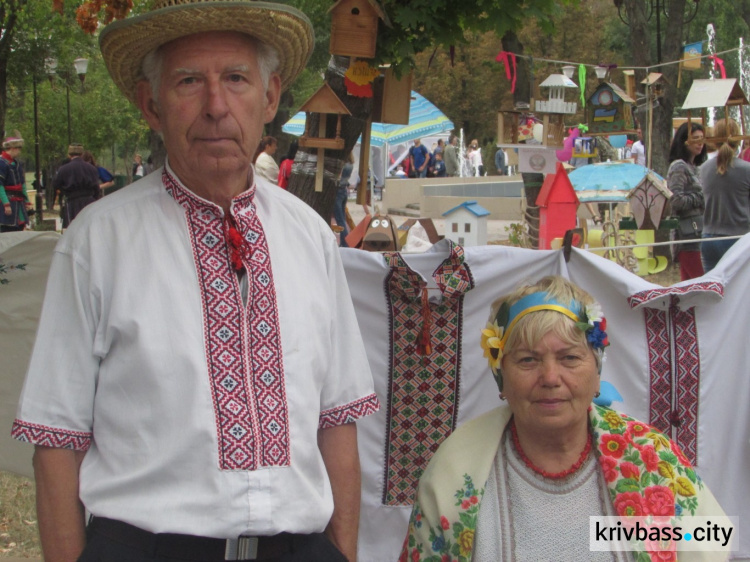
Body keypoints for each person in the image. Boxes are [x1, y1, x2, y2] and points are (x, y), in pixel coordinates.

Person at [13, 3, 379, 562]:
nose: (215, 106)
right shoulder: (96, 242)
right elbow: (56, 441)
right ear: (151, 105)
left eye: (236, 79)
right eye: (189, 82)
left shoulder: (309, 236)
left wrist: (342, 552)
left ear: (272, 97)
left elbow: (338, 420)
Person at [401, 276, 729, 561]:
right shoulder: (455, 471)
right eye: (528, 360)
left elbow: (707, 540)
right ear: (502, 377)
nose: (550, 377)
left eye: (570, 358)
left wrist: (660, 535)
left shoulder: (652, 459)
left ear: (596, 371)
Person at [700, 118, 750, 272]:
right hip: (738, 237)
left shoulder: (703, 168)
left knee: (713, 290)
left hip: (709, 236)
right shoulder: (746, 169)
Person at [668, 122, 707, 281]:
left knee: (689, 287)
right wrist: (701, 197)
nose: (700, 143)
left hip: (697, 233)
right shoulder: (679, 166)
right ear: (684, 141)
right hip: (686, 235)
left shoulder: (696, 167)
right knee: (701, 284)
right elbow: (675, 200)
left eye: (702, 139)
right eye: (695, 139)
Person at [53, 143, 101, 228]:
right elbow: (96, 187)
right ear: (82, 154)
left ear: (69, 155)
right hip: (89, 201)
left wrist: (65, 193)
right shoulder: (91, 168)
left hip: (72, 202)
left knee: (73, 227)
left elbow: (56, 185)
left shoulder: (63, 169)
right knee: (88, 226)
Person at [0, 135, 31, 232]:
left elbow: (22, 185)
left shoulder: (17, 164)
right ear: (12, 148)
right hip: (8, 202)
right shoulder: (2, 163)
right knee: (7, 229)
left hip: (19, 202)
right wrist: (6, 204)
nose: (19, 152)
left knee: (19, 228)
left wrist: (27, 201)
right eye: (18, 149)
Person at [334, 152, 354, 247]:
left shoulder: (341, 163)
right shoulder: (350, 164)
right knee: (342, 218)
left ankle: (345, 242)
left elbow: (338, 176)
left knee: (340, 219)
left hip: (338, 190)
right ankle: (345, 241)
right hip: (344, 191)